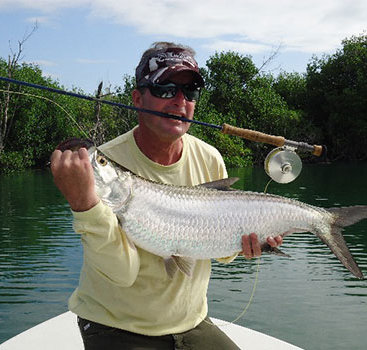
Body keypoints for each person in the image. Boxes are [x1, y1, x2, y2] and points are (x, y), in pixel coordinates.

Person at [51, 42, 283, 350]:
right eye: (165, 88)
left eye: (190, 92)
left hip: (190, 323)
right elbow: (122, 272)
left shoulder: (210, 158)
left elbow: (220, 251)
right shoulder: (103, 167)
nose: (179, 100)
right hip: (115, 325)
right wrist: (85, 206)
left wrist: (248, 245)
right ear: (137, 98)